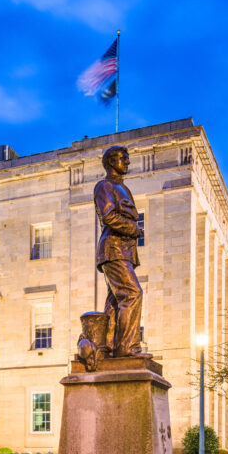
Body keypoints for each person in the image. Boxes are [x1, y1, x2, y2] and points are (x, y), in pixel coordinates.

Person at [94, 145, 150, 358]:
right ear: (110, 162)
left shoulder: (123, 188)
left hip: (124, 251)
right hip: (113, 249)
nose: (127, 162)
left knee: (115, 302)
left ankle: (107, 346)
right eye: (122, 158)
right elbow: (108, 217)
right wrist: (134, 229)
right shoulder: (104, 186)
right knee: (132, 294)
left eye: (127, 158)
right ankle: (127, 348)